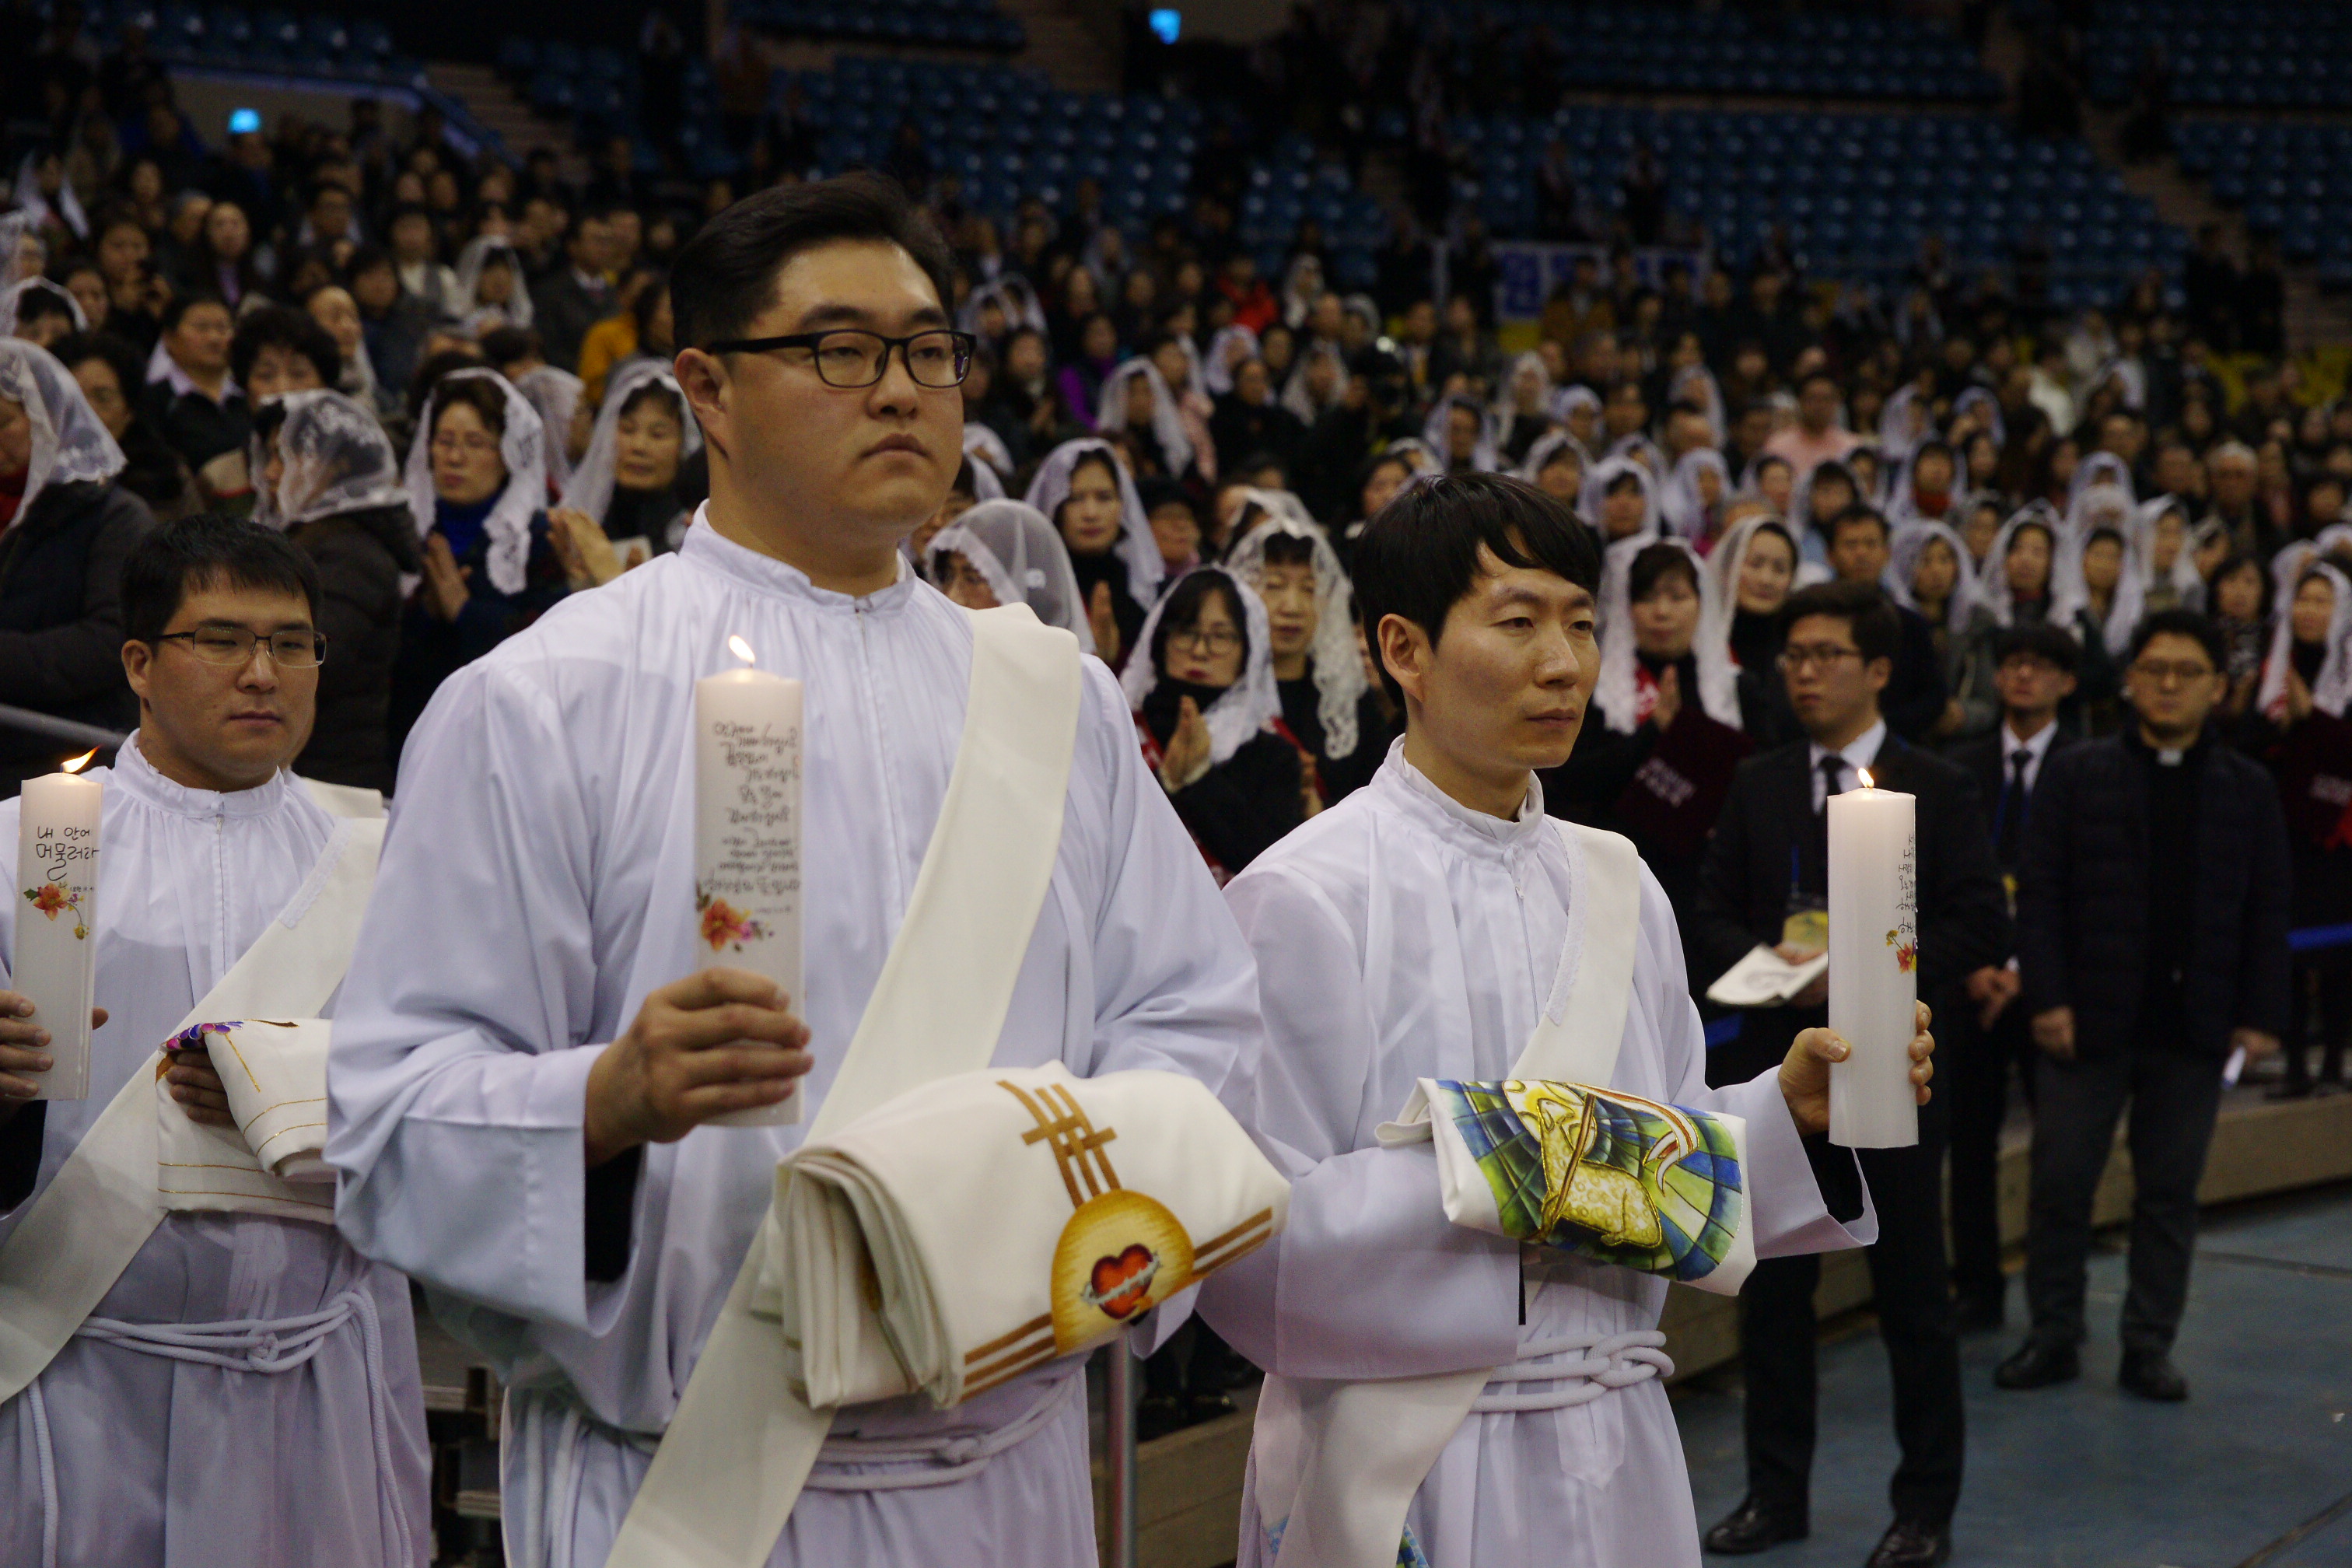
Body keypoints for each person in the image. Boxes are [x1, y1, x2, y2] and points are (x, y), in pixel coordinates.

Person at [327, 173, 1260, 1568]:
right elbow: (386, 1116)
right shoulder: (544, 699)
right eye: (838, 349)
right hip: (699, 1486)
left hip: (1006, 1474)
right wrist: (604, 1096)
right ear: (706, 387)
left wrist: (1039, 1251)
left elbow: (1196, 1026)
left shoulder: (1048, 700)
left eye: (928, 350)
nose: (900, 391)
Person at [1201, 473, 1922, 1568]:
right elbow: (1248, 1238)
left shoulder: (1618, 879)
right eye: (1519, 621)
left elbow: (1675, 1141)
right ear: (1403, 649)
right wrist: (1527, 1175)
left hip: (1617, 1430)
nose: (1564, 662)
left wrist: (1785, 1115)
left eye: (1583, 624)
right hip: (1419, 1454)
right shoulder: (1304, 894)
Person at [0, 514, 428, 1564]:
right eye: (223, 639)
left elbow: (465, 1094)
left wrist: (291, 1085)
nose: (262, 674)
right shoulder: (21, 849)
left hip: (321, 1380)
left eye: (291, 643)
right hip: (89, 1375)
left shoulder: (392, 860)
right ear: (139, 664)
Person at [1692, 579, 2007, 1566]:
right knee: (1774, 1299)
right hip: (1780, 1076)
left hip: (1897, 1079)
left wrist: (1871, 976)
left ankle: (1924, 1509)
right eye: (1793, 656)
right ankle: (1773, 1493)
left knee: (1913, 1296)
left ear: (1878, 669)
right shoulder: (1761, 781)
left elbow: (1976, 922)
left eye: (1827, 654)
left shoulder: (1939, 784)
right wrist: (1782, 973)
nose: (1806, 671)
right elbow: (1708, 912)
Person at [2000, 611, 2291, 1402]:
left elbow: (2268, 907)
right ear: (2128, 680)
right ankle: (2054, 1334)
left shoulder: (2248, 788)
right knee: (2061, 1183)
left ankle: (2149, 1345)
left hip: (2194, 1026)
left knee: (2169, 1196)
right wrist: (2048, 998)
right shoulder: (2078, 772)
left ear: (2217, 688)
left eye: (2187, 671)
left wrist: (2260, 1013)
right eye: (2154, 669)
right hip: (2086, 1022)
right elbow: (2042, 893)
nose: (2168, 685)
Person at [1944, 623, 2081, 1329]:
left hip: (2051, 985)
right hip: (1973, 983)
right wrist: (1980, 964)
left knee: (2061, 1154)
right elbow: (1953, 880)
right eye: (2014, 664)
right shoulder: (1962, 765)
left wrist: (2024, 968)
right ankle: (1978, 1291)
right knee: (1970, 1145)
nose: (2024, 676)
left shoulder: (2088, 766)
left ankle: (2058, 1308)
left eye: (2041, 665)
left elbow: (2083, 885)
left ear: (2068, 681)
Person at [387, 367, 568, 759]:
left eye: (475, 443)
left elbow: (552, 652)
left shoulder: (536, 539)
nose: (454, 457)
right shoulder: (404, 533)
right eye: (444, 441)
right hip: (413, 740)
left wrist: (466, 611)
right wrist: (427, 613)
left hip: (507, 743)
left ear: (506, 455)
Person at [0, 338, 155, 786]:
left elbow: (112, 641)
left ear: (49, 422)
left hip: (71, 759)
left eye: (4, 421)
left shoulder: (115, 517)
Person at [252, 389, 419, 792]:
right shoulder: (313, 541)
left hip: (331, 780)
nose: (273, 472)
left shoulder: (352, 557)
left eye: (288, 456)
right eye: (271, 456)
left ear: (338, 468)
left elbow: (305, 666)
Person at [2240, 562, 2352, 1098]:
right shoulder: (2275, 665)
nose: (2310, 610)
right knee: (2282, 947)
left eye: (2322, 601)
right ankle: (2294, 1067)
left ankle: (2334, 1058)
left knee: (2335, 953)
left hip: (2336, 838)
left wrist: (2314, 722)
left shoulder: (2347, 670)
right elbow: (2251, 740)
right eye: (2303, 599)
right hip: (2279, 835)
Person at [1123, 565, 1306, 878]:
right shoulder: (1124, 731)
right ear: (1160, 640)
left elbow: (1269, 866)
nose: (1199, 651)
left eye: (1220, 637)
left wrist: (1199, 779)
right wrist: (1165, 782)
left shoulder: (1274, 757)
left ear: (1249, 652)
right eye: (1186, 632)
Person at [1224, 508, 1386, 804]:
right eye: (1273, 586)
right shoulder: (1219, 689)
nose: (1292, 606)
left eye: (1309, 589)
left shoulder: (1346, 702)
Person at [1026, 436, 1163, 670]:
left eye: (1104, 497)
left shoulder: (1141, 588)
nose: (1091, 513)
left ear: (1123, 505)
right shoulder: (1035, 588)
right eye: (1075, 499)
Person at [553, 358, 706, 564]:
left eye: (658, 434)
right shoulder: (585, 517)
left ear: (685, 444)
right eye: (628, 429)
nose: (639, 447)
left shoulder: (695, 527)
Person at [1823, 509, 1949, 743]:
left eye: (1871, 544)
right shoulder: (1816, 622)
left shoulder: (1911, 624)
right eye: (1851, 545)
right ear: (1830, 555)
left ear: (1886, 553)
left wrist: (1877, 728)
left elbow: (1933, 696)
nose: (1861, 554)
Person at [50, 327, 194, 521]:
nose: (87, 413)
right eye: (72, 397)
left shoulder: (167, 478)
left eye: (103, 397)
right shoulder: (27, 477)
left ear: (129, 412)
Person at [922, 497, 1094, 649]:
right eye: (948, 577)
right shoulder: (940, 668)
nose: (954, 598)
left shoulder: (1083, 678)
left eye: (973, 579)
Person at [1889, 520, 1997, 740]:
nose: (1936, 571)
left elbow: (1989, 699)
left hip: (1964, 741)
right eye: (1924, 561)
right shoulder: (1892, 623)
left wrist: (1963, 715)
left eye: (1945, 560)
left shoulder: (1978, 623)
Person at [142, 291, 250, 499]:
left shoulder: (247, 395)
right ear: (169, 339)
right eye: (201, 328)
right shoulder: (154, 401)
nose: (214, 338)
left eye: (222, 328)